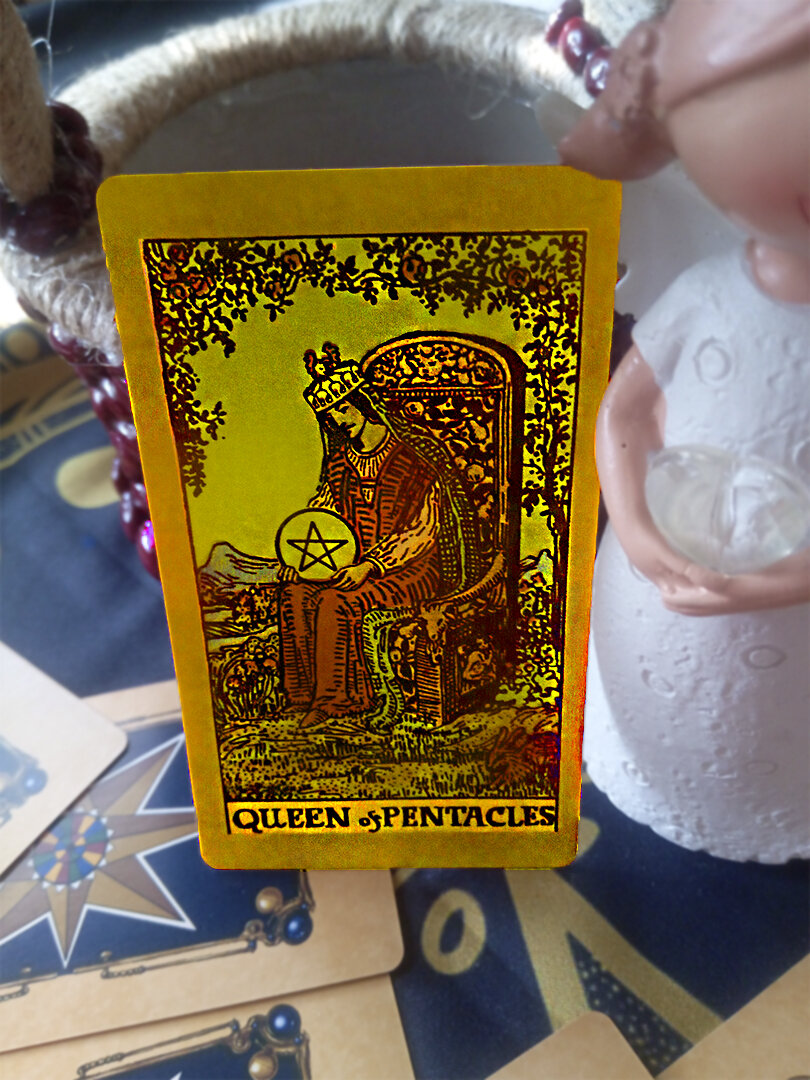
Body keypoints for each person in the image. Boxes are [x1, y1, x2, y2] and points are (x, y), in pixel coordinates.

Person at [559, 0, 810, 860]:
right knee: (669, 701)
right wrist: (632, 522)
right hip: (659, 588)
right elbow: (624, 410)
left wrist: (781, 582)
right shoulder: (705, 294)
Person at [278, 343, 454, 733]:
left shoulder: (415, 461)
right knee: (295, 592)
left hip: (411, 569)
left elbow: (422, 532)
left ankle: (339, 701)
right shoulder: (340, 463)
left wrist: (371, 566)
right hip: (350, 563)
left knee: (335, 601)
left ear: (363, 404)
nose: (338, 421)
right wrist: (299, 562)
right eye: (329, 416)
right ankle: (304, 696)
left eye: (343, 409)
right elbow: (323, 514)